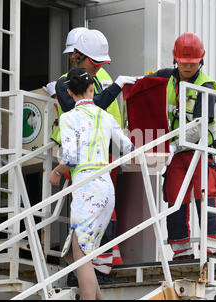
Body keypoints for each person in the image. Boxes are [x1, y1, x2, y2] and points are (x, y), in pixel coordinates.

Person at [55, 28, 136, 285]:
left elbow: (105, 114)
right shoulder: (65, 84)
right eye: (94, 63)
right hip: (80, 162)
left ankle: (99, 267)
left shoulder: (101, 78)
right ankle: (89, 270)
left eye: (101, 64)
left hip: (103, 156)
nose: (98, 68)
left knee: (100, 213)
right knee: (85, 215)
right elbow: (90, 109)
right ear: (76, 56)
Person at [149, 32, 216, 261]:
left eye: (192, 63)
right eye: (183, 62)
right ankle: (181, 252)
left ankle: (211, 250)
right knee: (175, 198)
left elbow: (200, 126)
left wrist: (172, 147)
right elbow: (144, 85)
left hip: (201, 149)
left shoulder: (207, 86)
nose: (187, 66)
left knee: (206, 197)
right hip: (177, 153)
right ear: (175, 60)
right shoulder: (164, 79)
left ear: (201, 60)